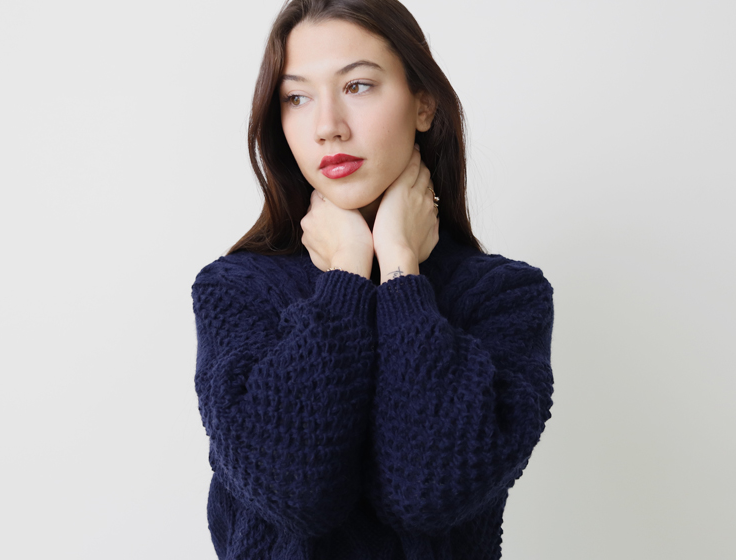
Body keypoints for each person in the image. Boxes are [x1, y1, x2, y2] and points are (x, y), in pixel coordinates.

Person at [190, 0, 554, 557]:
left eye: (357, 86)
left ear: (423, 103)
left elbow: (428, 493)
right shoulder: (235, 291)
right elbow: (294, 493)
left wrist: (401, 269)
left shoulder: (505, 297)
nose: (327, 127)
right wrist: (347, 273)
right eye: (296, 98)